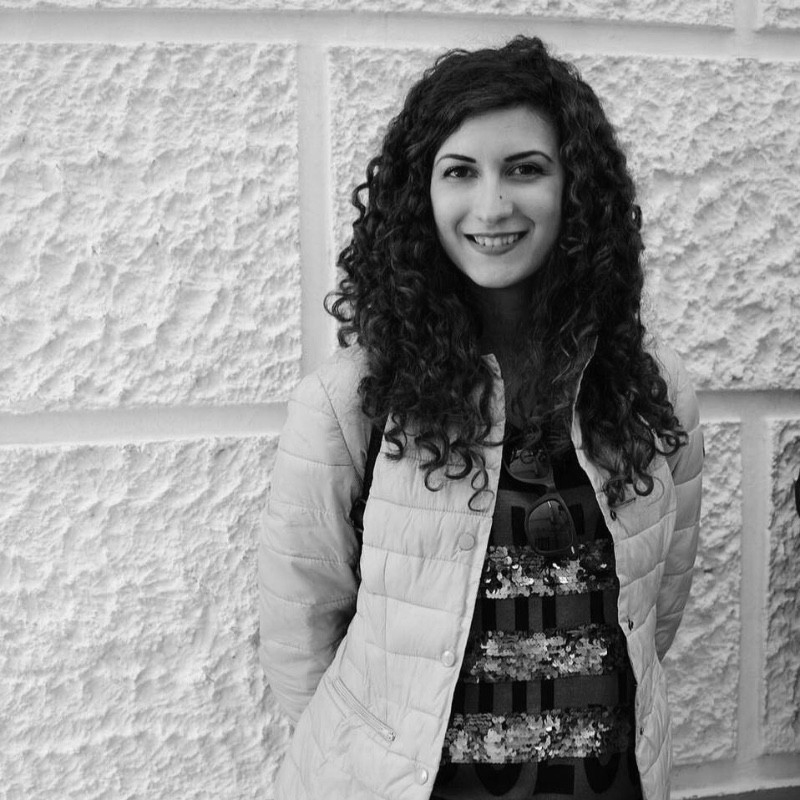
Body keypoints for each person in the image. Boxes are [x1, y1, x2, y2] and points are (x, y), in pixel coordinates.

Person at [259, 36, 703, 800]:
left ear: (576, 189)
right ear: (420, 196)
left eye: (525, 169)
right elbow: (301, 628)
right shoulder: (353, 401)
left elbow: (653, 613)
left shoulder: (650, 395)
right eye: (460, 171)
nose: (492, 206)